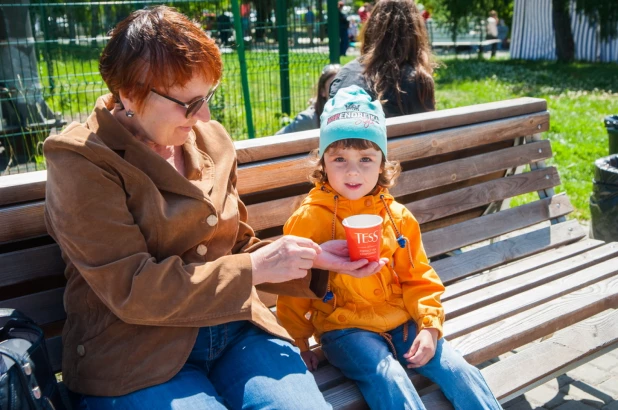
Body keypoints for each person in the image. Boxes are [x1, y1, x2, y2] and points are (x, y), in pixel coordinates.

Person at [43, 7, 387, 409]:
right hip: (134, 354)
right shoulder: (81, 161)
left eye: (206, 98)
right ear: (130, 94)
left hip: (233, 328)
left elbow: (236, 247)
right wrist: (256, 268)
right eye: (188, 104)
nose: (203, 115)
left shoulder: (209, 140)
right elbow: (131, 287)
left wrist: (313, 258)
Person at [277, 86, 502, 410]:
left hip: (402, 320)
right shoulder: (310, 219)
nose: (352, 170)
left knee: (458, 369)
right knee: (389, 377)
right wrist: (298, 341)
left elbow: (418, 276)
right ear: (323, 162)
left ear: (382, 162)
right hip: (344, 328)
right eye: (339, 158)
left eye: (365, 159)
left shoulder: (396, 217)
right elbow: (294, 287)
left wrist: (429, 326)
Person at [329, 0, 437, 118]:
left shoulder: (344, 73)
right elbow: (426, 132)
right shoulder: (416, 80)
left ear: (371, 28)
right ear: (415, 32)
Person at [276, 64, 340, 135]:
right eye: (334, 87)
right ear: (322, 91)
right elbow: (275, 140)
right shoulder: (309, 120)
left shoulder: (351, 115)